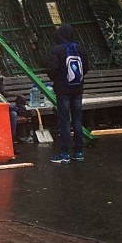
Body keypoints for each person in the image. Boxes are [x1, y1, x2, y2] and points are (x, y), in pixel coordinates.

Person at [46, 23, 89, 164]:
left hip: (63, 90)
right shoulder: (81, 49)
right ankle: (79, 152)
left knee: (64, 122)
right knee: (77, 121)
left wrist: (56, 78)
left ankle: (64, 154)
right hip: (77, 89)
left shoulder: (57, 50)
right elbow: (86, 69)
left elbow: (51, 70)